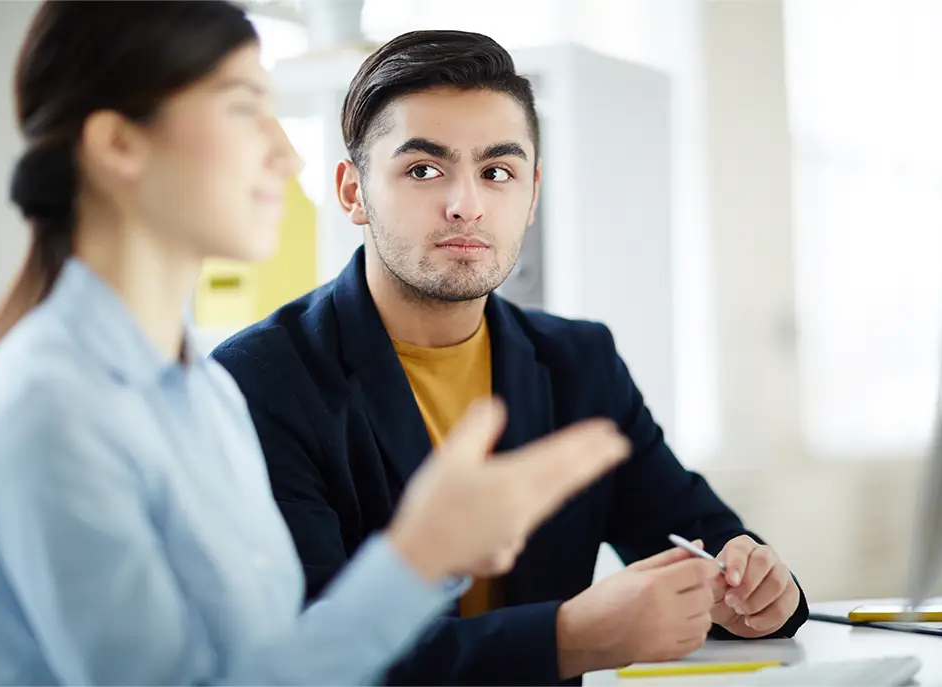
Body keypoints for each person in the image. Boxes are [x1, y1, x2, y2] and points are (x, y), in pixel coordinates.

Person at [0, 4, 634, 685]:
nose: (285, 153)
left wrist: (429, 552)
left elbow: (270, 662)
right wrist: (419, 556)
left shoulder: (198, 391)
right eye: (244, 108)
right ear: (120, 144)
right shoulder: (52, 406)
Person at [212, 28, 811, 686]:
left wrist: (758, 588)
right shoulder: (258, 379)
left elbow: (705, 540)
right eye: (423, 169)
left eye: (497, 172)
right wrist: (569, 637)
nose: (466, 203)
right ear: (353, 192)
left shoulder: (581, 360)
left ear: (531, 196)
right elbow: (310, 656)